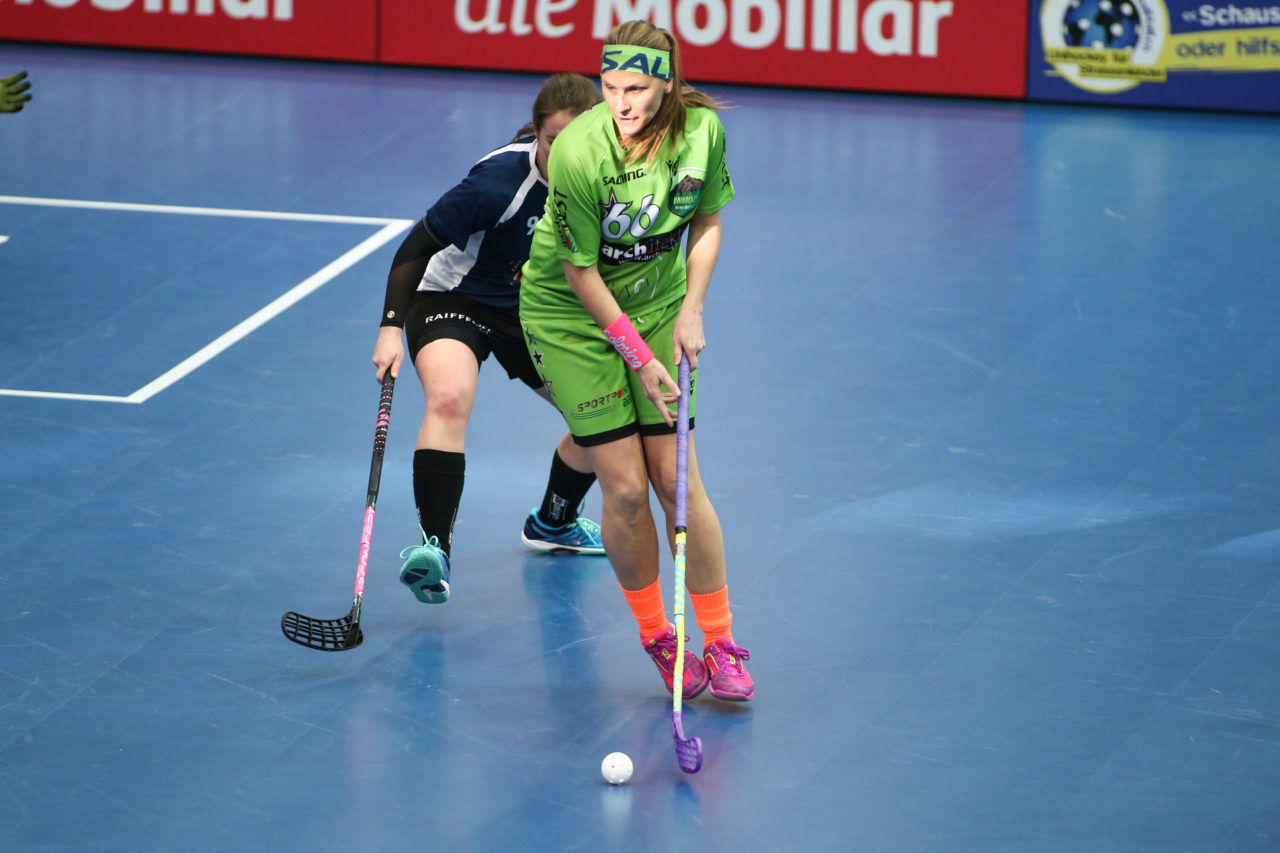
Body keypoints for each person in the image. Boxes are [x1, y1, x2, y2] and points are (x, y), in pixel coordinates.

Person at [519, 21, 753, 701]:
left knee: (678, 480)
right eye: (611, 87)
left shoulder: (700, 134)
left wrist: (692, 308)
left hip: (657, 303)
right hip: (571, 317)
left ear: (668, 87)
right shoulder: (579, 153)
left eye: (637, 90)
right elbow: (581, 269)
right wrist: (637, 356)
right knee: (623, 487)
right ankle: (662, 637)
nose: (621, 104)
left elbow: (706, 223)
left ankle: (721, 640)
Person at [372, 73, 606, 606]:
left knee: (601, 419)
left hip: (537, 311)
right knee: (449, 396)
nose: (563, 151)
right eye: (552, 141)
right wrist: (390, 327)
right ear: (539, 137)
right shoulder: (499, 182)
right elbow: (414, 248)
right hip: (455, 296)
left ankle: (555, 522)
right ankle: (435, 548)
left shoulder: (606, 179)